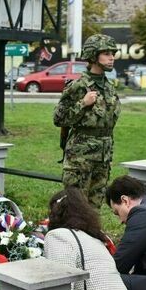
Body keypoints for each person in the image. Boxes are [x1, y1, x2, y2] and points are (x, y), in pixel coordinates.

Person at [53, 34, 120, 208]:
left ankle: (90, 234)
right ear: (93, 55)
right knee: (76, 205)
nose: (111, 57)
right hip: (80, 157)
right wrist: (82, 103)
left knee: (95, 205)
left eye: (113, 53)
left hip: (103, 155)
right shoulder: (78, 86)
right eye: (106, 53)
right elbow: (59, 118)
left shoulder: (109, 87)